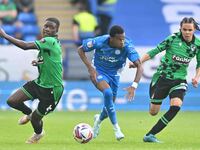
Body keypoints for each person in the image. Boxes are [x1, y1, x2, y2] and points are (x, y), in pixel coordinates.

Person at [130, 17, 200, 143]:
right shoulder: (172, 39)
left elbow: (199, 63)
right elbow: (154, 52)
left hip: (179, 79)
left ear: (194, 29)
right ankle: (153, 97)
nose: (187, 32)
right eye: (184, 29)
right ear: (180, 28)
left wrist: (196, 77)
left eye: (190, 29)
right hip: (162, 78)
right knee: (153, 112)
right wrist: (137, 63)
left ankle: (150, 135)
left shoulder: (198, 44)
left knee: (176, 106)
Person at [0, 17, 64, 144]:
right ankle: (29, 113)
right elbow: (52, 60)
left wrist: (4, 35)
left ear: (56, 31)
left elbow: (25, 46)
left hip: (52, 89)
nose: (46, 29)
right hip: (39, 83)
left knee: (36, 119)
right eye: (45, 26)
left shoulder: (49, 41)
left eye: (51, 27)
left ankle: (38, 134)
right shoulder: (51, 43)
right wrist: (39, 62)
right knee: (12, 101)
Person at [78, 25, 143, 140]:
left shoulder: (127, 46)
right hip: (99, 71)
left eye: (123, 39)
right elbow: (80, 49)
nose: (122, 41)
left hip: (115, 75)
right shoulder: (99, 41)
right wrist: (90, 68)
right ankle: (117, 129)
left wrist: (134, 86)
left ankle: (98, 121)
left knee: (109, 105)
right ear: (111, 38)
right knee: (107, 93)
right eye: (120, 39)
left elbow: (140, 66)